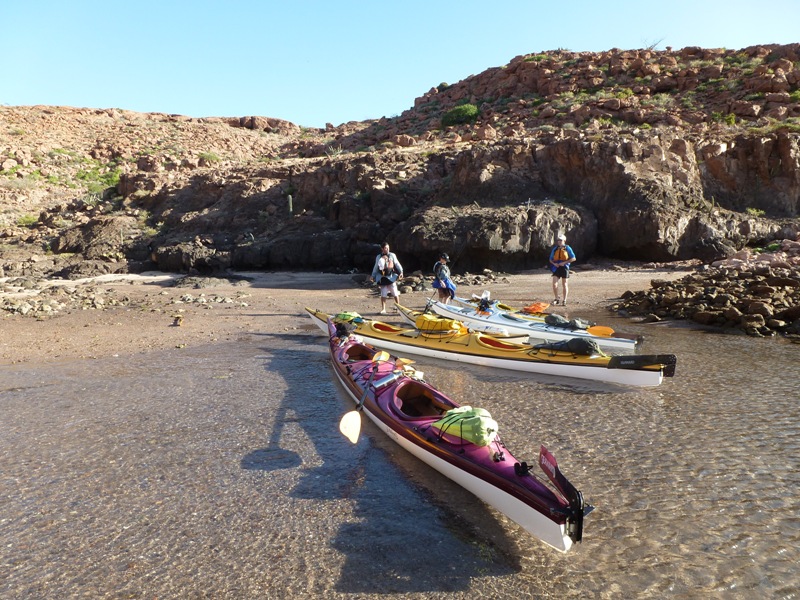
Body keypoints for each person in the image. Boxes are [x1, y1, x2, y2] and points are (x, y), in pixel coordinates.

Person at [370, 242, 403, 314]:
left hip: (391, 276)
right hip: (382, 277)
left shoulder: (392, 255)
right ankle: (383, 309)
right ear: (382, 249)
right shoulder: (378, 257)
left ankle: (399, 307)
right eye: (385, 248)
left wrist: (401, 272)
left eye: (388, 248)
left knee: (395, 292)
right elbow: (376, 267)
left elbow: (397, 264)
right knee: (383, 293)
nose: (387, 249)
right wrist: (373, 275)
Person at [549, 233, 576, 306]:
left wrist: (564, 263)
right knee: (554, 284)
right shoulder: (555, 249)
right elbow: (550, 259)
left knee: (564, 284)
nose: (559, 241)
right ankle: (556, 298)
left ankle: (564, 300)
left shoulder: (568, 248)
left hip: (564, 268)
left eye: (560, 240)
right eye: (558, 240)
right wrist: (554, 264)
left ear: (564, 240)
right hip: (556, 268)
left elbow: (573, 258)